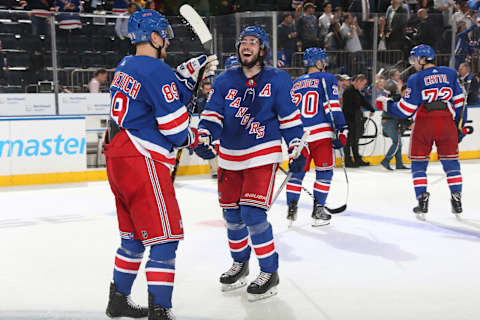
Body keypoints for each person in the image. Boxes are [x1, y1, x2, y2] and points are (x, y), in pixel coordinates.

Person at [103, 10, 218, 319]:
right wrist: (199, 140)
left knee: (134, 238)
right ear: (153, 37)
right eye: (164, 35)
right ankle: (160, 311)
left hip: (118, 159)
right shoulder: (157, 72)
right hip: (143, 162)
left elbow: (161, 89)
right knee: (166, 239)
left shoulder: (126, 65)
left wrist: (190, 71)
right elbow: (177, 132)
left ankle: (118, 300)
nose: (167, 40)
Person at [193, 26, 308, 302]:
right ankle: (240, 263)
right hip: (230, 157)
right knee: (232, 217)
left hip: (262, 155)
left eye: (253, 42)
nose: (247, 46)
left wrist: (296, 148)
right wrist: (205, 136)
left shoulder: (278, 79)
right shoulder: (224, 80)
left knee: (253, 215)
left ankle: (270, 271)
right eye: (243, 42)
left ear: (263, 48)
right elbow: (213, 114)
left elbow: (290, 119)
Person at [384, 44, 466, 219]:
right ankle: (457, 197)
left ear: (422, 59)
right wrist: (458, 126)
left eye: (414, 59)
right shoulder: (450, 73)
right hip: (446, 123)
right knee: (452, 165)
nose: (413, 63)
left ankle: (422, 199)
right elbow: (460, 102)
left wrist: (390, 105)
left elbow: (406, 109)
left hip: (424, 123)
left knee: (419, 165)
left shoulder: (416, 78)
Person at [286, 48, 348, 227]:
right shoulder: (326, 78)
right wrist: (341, 128)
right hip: (320, 133)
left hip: (299, 135)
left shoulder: (296, 82)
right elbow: (331, 106)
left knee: (296, 174)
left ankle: (292, 209)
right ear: (319, 62)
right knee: (324, 172)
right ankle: (318, 209)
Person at [342, 74, 375, 167]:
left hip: (355, 119)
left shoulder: (356, 91)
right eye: (363, 84)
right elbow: (349, 106)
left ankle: (357, 159)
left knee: (355, 140)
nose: (363, 86)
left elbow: (363, 101)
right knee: (349, 141)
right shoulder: (348, 91)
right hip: (349, 119)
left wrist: (371, 109)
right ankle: (348, 160)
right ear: (358, 81)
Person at [379, 79, 409, 170]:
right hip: (388, 121)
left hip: (392, 121)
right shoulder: (397, 97)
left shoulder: (399, 97)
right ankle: (386, 161)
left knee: (398, 142)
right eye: (406, 91)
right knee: (397, 142)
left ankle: (399, 164)